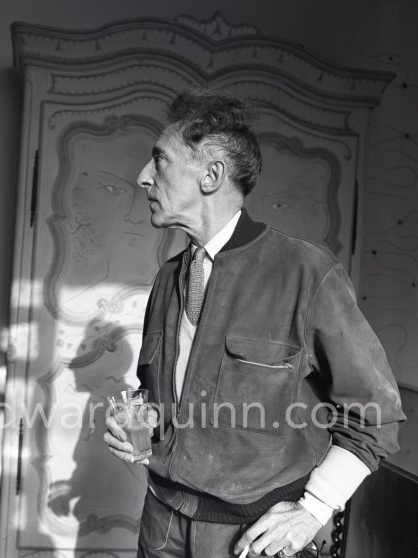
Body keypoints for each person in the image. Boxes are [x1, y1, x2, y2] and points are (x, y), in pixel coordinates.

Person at [104, 89, 405, 557]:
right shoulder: (167, 279)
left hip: (250, 540)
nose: (143, 177)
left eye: (159, 161)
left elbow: (375, 417)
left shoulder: (306, 271)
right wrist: (141, 423)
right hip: (160, 525)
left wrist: (313, 510)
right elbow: (161, 394)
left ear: (211, 175)